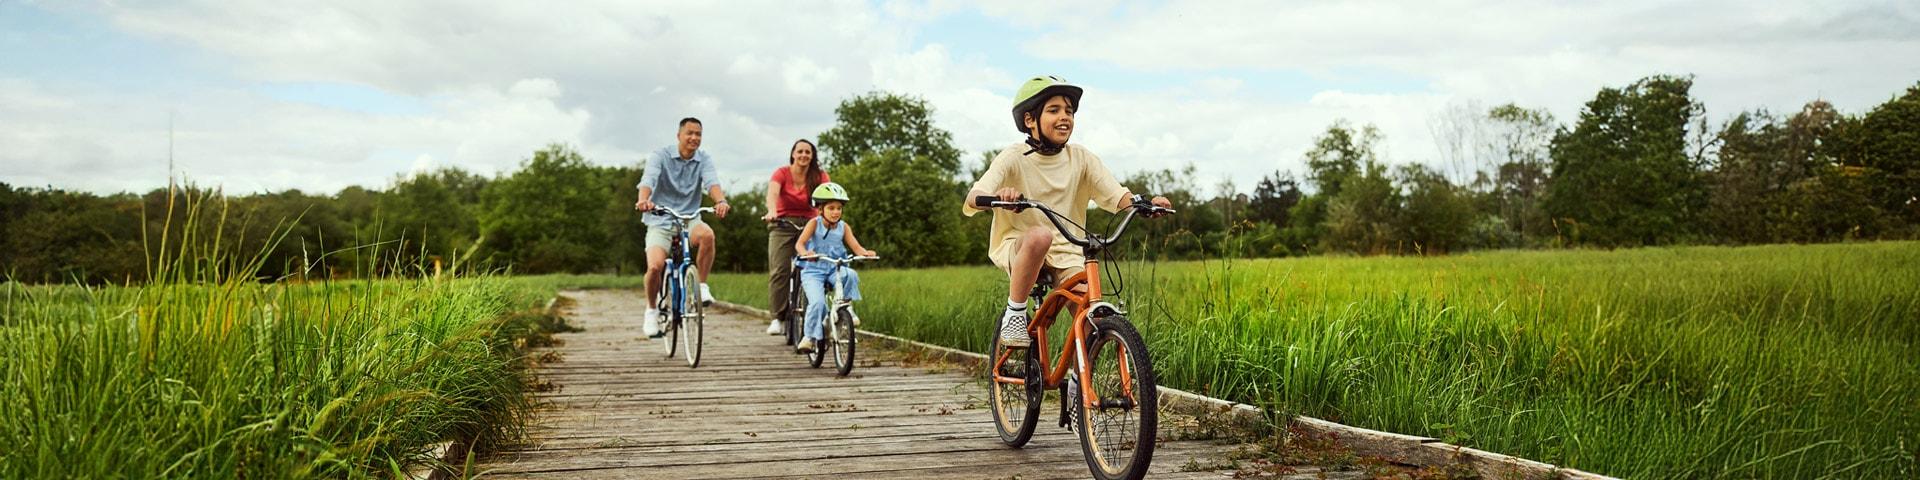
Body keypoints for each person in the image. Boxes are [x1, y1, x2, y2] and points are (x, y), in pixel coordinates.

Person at [961, 76, 1171, 347]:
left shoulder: (1080, 158)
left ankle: (1080, 372)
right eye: (1054, 110)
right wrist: (999, 198)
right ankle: (1015, 313)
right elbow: (974, 196)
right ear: (1029, 120)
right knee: (1040, 236)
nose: (1064, 117)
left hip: (1067, 250)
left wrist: (1145, 204)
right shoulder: (1013, 157)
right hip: (1021, 246)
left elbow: (1117, 195)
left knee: (1088, 314)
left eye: (1069, 111)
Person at [634, 117, 731, 338]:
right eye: (690, 133)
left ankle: (701, 286)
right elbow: (648, 180)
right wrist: (643, 200)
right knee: (655, 267)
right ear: (679, 135)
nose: (694, 138)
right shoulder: (661, 156)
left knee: (707, 235)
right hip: (660, 218)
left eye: (698, 134)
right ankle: (651, 310)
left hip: (689, 217)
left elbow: (712, 182)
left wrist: (721, 201)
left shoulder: (703, 159)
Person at [793, 183, 877, 354]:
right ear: (820, 209)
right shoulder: (814, 224)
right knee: (817, 303)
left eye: (839, 208)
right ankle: (809, 337)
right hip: (814, 270)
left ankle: (846, 307)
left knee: (850, 274)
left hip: (834, 268)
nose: (836, 212)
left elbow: (856, 246)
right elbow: (799, 244)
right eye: (831, 208)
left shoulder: (843, 227)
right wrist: (806, 253)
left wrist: (865, 253)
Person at [761, 139, 829, 336]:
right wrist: (772, 211)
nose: (803, 155)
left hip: (811, 223)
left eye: (808, 152)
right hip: (783, 223)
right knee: (780, 270)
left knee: (818, 266)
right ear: (793, 154)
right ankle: (777, 318)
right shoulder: (782, 173)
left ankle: (820, 312)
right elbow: (772, 194)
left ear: (812, 156)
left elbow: (827, 198)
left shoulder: (820, 176)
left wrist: (827, 216)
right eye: (800, 151)